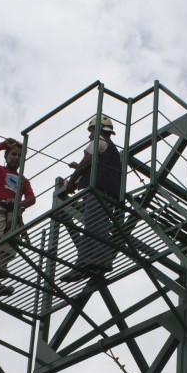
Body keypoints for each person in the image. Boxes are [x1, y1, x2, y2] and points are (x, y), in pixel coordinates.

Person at [59, 115, 123, 282]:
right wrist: (79, 172)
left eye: (91, 130)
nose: (90, 135)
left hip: (98, 191)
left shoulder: (99, 140)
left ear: (99, 129)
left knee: (96, 224)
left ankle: (102, 257)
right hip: (107, 191)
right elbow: (95, 165)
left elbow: (88, 159)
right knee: (89, 227)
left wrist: (71, 182)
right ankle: (81, 264)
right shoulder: (110, 148)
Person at [0, 137, 36, 297]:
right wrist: (2, 145)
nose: (16, 158)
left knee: (10, 246)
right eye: (13, 154)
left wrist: (20, 203)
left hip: (13, 212)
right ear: (6, 156)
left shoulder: (23, 181)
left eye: (19, 156)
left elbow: (31, 199)